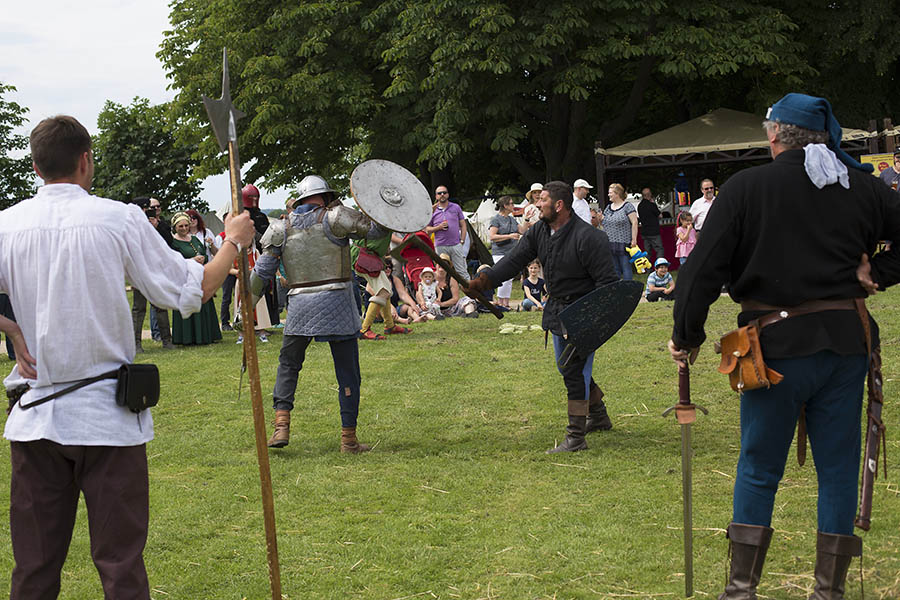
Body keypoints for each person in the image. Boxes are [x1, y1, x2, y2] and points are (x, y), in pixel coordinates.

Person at [1, 115, 254, 598]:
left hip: (38, 420)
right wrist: (234, 243)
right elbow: (190, 289)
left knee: (33, 571)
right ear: (85, 160)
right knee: (120, 568)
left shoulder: (7, 224)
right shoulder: (118, 218)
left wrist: (10, 328)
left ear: (35, 166)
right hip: (105, 422)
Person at [668, 93, 900, 598]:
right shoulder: (860, 187)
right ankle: (828, 592)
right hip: (845, 346)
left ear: (774, 135)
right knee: (836, 470)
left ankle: (740, 590)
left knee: (758, 466)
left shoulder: (747, 188)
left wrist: (686, 334)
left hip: (772, 348)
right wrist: (878, 271)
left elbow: (700, 271)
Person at [467, 181, 618, 453]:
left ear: (559, 205)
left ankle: (576, 438)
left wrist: (593, 323)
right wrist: (485, 280)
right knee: (567, 367)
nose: (537, 204)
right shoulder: (540, 231)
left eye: (543, 200)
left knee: (572, 370)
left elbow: (607, 286)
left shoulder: (590, 238)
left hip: (582, 313)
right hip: (556, 310)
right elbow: (515, 259)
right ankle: (598, 415)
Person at [250, 174, 382, 451]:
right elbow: (376, 232)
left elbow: (262, 272)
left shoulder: (280, 227)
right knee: (347, 372)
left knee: (288, 365)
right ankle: (349, 440)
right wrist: (384, 210)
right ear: (324, 196)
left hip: (300, 306)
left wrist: (244, 309)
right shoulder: (337, 217)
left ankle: (281, 428)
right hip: (338, 306)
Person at [170, 212, 223, 345]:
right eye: (180, 226)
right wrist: (191, 260)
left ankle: (206, 335)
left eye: (186, 225)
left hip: (199, 277)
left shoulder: (194, 239)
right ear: (175, 227)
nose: (184, 228)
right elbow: (173, 262)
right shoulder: (173, 242)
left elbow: (205, 254)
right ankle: (188, 337)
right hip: (185, 279)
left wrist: (202, 258)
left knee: (203, 304)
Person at [352, 230, 412, 340]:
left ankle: (390, 326)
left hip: (371, 257)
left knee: (387, 290)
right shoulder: (375, 222)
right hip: (364, 256)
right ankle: (364, 329)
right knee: (382, 292)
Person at [425, 185, 468, 282]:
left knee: (462, 271)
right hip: (440, 245)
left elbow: (463, 225)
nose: (442, 195)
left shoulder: (456, 207)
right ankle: (443, 294)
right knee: (441, 272)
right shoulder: (432, 210)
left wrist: (462, 240)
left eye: (444, 192)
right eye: (439, 193)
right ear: (436, 196)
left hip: (456, 244)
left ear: (448, 194)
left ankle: (470, 294)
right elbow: (426, 229)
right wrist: (438, 227)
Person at [488, 195, 525, 309]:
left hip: (511, 251)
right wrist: (509, 236)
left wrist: (527, 219)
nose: (514, 206)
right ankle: (501, 302)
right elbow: (492, 236)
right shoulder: (496, 219)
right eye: (512, 203)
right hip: (499, 252)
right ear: (505, 205)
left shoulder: (512, 219)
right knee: (503, 275)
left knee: (509, 277)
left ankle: (505, 302)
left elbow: (523, 231)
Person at [602, 183, 638, 280]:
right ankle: (617, 291)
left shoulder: (627, 206)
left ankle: (628, 290)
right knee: (615, 269)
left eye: (610, 193)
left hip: (624, 243)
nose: (608, 195)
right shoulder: (608, 208)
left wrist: (634, 239)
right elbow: (604, 223)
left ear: (617, 194)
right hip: (610, 243)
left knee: (626, 268)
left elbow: (634, 222)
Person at [637, 187, 664, 262]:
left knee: (647, 251)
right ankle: (660, 265)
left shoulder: (640, 206)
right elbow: (660, 216)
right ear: (649, 195)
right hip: (654, 231)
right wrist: (654, 204)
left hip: (645, 231)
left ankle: (647, 268)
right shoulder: (652, 205)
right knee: (659, 249)